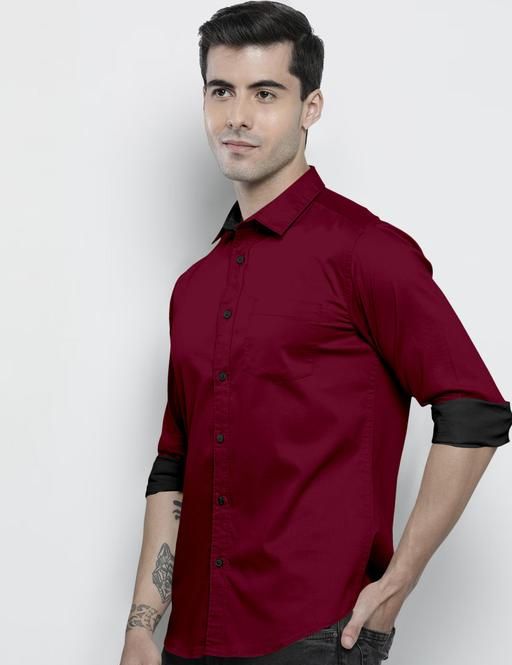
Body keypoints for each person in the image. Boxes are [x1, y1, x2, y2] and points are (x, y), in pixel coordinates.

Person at [119, 2, 512, 664]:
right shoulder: (193, 288)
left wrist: (398, 582)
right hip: (188, 641)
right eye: (221, 91)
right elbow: (174, 466)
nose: (237, 116)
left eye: (265, 93)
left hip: (314, 636)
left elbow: (474, 410)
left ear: (311, 107)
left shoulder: (365, 251)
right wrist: (140, 624)